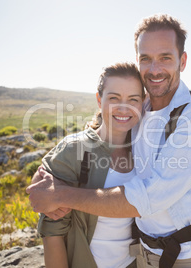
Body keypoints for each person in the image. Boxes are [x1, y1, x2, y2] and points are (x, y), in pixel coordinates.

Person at [27, 14, 191, 268]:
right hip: (143, 256)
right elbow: (109, 121)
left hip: (190, 258)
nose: (155, 69)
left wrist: (60, 195)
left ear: (183, 60)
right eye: (146, 58)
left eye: (165, 58)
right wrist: (51, 169)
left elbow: (148, 198)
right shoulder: (141, 109)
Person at [37, 62, 145, 268]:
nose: (124, 108)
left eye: (133, 99)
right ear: (99, 99)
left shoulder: (144, 149)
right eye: (114, 98)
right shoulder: (75, 149)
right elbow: (52, 233)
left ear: (143, 102)